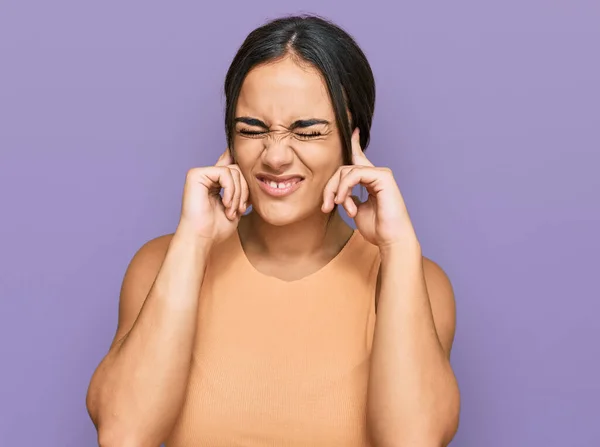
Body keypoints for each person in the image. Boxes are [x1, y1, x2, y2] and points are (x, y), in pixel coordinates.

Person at [86, 14, 460, 447]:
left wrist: (397, 247)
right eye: (252, 129)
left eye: (308, 131)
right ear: (231, 139)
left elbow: (413, 441)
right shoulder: (160, 264)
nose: (275, 156)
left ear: (352, 141)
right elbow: (123, 434)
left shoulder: (416, 279)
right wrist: (193, 243)